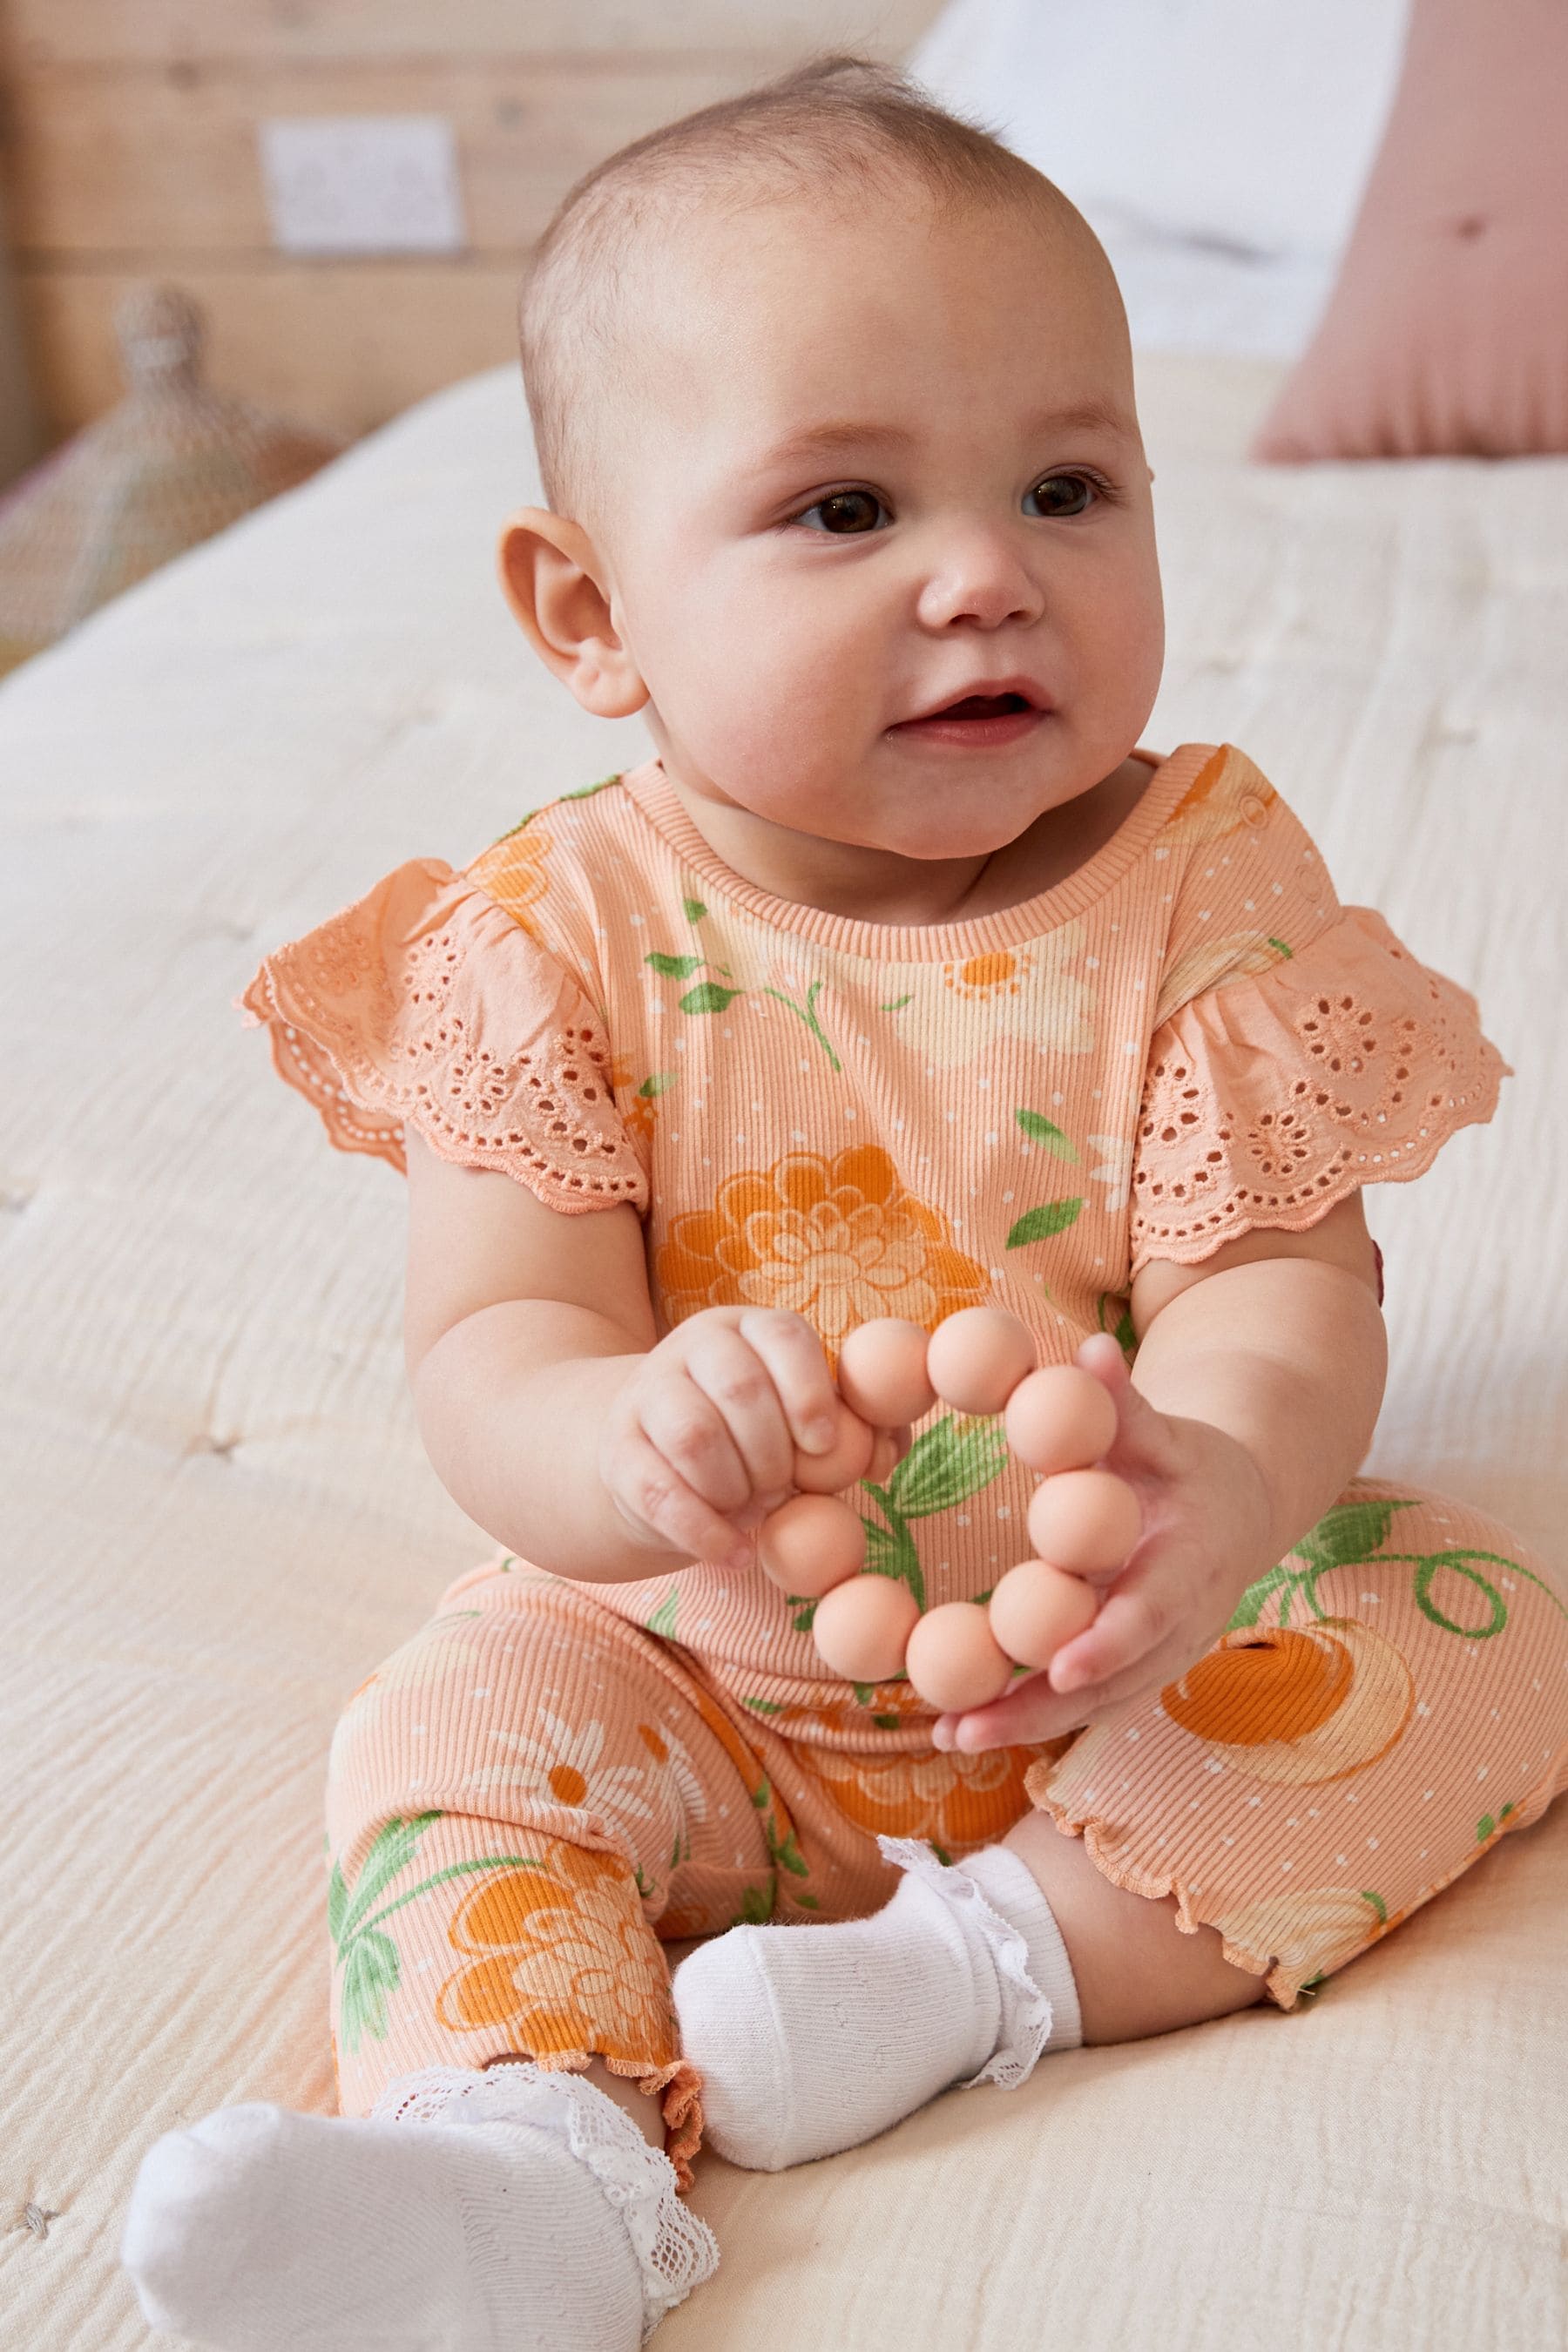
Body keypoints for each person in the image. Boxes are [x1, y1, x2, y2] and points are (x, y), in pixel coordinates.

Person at [121, 53, 1568, 2352]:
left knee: (1479, 1629)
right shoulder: (553, 938)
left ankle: (965, 1977)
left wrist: (1222, 1469)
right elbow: (490, 1348)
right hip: (700, 1661)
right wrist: (623, 1439)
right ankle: (534, 2167)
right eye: (842, 510)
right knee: (445, 1728)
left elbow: (1280, 1287)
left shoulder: (1208, 890)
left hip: (1125, 1657)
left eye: (1069, 485)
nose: (988, 572)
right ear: (588, 613)